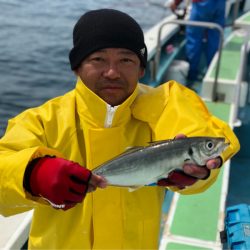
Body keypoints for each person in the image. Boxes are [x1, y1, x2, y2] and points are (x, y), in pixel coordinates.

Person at [0, 8, 239, 249]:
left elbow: (208, 134)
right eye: (98, 59)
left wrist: (200, 173)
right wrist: (31, 173)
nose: (112, 72)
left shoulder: (166, 103)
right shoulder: (44, 120)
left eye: (126, 59)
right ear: (77, 66)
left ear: (141, 68)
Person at [170, 0, 226, 83]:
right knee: (214, 39)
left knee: (194, 38)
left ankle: (192, 76)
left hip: (202, 4)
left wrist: (175, 3)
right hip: (220, 4)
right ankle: (212, 76)